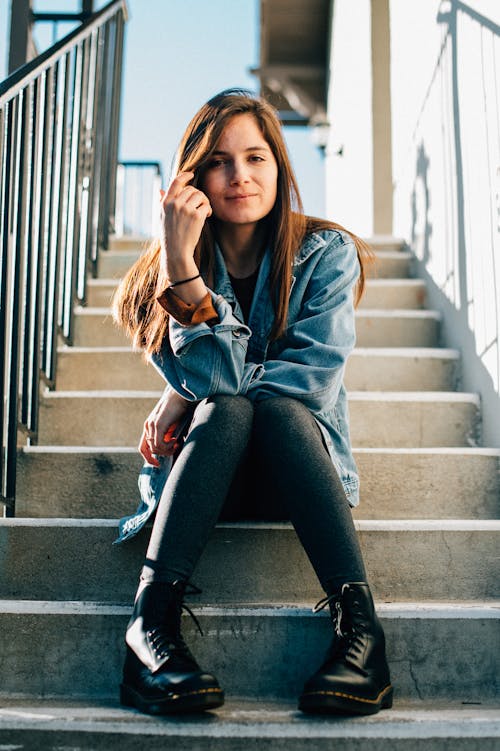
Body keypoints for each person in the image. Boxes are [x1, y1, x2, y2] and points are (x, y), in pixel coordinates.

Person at [113, 88, 393, 717]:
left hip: (298, 473)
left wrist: (186, 394)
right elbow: (217, 387)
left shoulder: (326, 255)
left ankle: (361, 633)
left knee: (269, 408)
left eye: (256, 157)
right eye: (219, 161)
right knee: (230, 410)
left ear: (279, 167)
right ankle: (148, 629)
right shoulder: (163, 274)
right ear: (191, 177)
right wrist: (183, 267)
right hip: (206, 480)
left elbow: (308, 383)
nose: (240, 176)